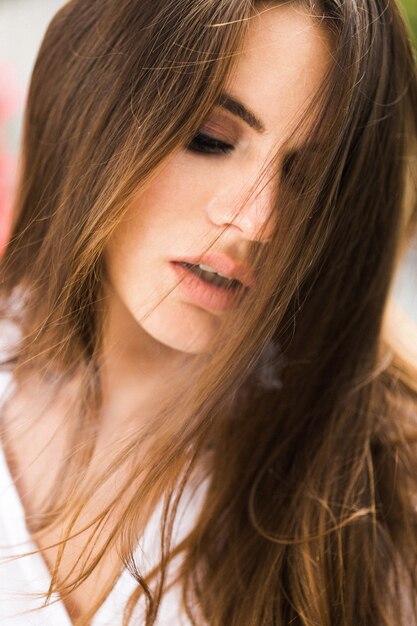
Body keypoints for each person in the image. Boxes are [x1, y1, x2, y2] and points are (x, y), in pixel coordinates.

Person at [0, 0, 416, 624]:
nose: (255, 220)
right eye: (211, 139)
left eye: (308, 178)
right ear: (94, 100)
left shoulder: (373, 495)